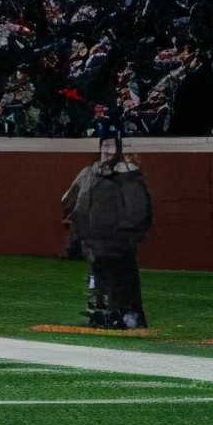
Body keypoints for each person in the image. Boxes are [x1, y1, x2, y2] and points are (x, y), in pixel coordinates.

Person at [65, 131, 154, 331]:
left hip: (117, 242)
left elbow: (137, 209)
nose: (106, 150)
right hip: (97, 242)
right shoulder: (94, 173)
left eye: (111, 146)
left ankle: (128, 317)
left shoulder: (128, 175)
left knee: (122, 279)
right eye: (104, 145)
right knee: (99, 281)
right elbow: (81, 204)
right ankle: (103, 315)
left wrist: (125, 233)